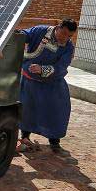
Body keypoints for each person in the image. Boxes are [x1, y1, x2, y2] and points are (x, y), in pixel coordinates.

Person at [17, 19, 77, 155]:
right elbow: (26, 34)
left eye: (69, 36)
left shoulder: (68, 47)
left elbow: (62, 67)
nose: (65, 38)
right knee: (27, 110)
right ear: (58, 27)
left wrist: (42, 69)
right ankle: (25, 138)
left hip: (52, 84)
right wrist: (19, 35)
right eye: (64, 33)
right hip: (30, 81)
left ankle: (54, 142)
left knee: (56, 111)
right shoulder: (41, 31)